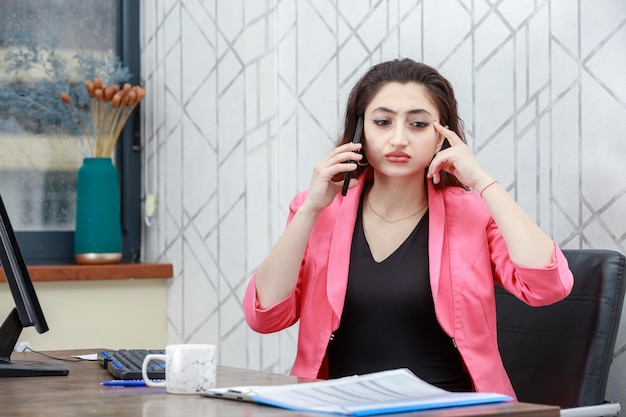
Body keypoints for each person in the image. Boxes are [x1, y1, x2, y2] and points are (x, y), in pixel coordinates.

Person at [243, 58, 573, 398]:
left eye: (417, 124)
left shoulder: (473, 212)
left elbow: (548, 286)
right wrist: (310, 209)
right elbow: (265, 317)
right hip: (337, 407)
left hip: (451, 408)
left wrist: (482, 181)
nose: (398, 139)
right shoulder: (318, 210)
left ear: (441, 136)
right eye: (382, 122)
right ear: (359, 132)